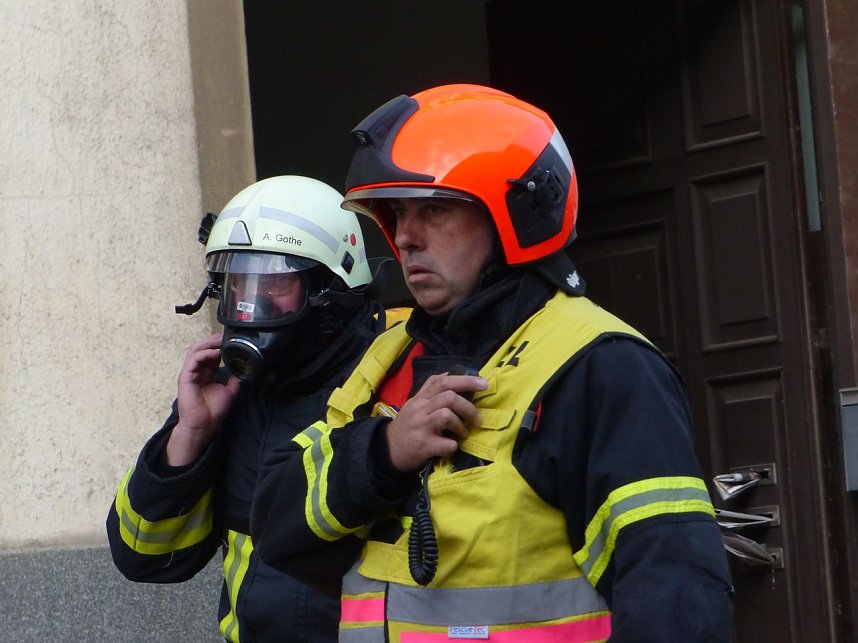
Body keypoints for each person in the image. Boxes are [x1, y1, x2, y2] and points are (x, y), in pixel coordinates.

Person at [250, 85, 734, 642]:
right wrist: (383, 452)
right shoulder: (388, 357)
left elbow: (674, 591)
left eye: (433, 210)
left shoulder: (600, 366)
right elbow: (277, 530)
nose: (404, 236)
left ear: (516, 216)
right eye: (398, 213)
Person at [106, 175, 396, 642]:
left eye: (274, 280)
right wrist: (189, 435)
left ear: (331, 287)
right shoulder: (227, 398)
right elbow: (145, 556)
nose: (249, 302)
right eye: (237, 282)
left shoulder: (393, 385)